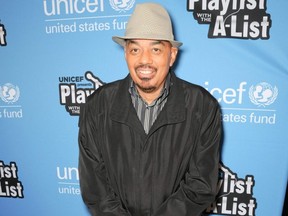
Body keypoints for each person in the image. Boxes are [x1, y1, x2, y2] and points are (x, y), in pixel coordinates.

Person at [78, 3, 222, 216]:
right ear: (125, 54)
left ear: (172, 55)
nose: (144, 60)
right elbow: (95, 189)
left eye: (155, 49)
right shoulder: (96, 106)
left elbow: (201, 185)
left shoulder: (202, 107)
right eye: (135, 49)